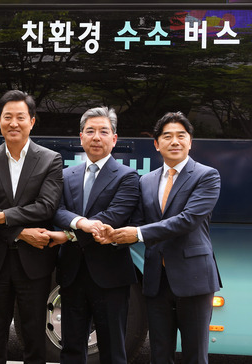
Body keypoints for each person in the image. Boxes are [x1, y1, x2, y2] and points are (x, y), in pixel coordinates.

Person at [99, 111, 222, 364]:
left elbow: (187, 220)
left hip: (194, 278)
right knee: (159, 354)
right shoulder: (145, 180)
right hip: (156, 280)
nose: (174, 141)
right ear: (157, 144)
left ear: (190, 142)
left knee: (195, 355)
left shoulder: (207, 176)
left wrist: (138, 233)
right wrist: (113, 235)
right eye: (167, 136)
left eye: (181, 136)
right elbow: (137, 223)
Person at [0, 90, 64, 364]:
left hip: (34, 263)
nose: (14, 123)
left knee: (34, 335)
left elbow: (46, 206)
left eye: (20, 117)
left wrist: (1, 218)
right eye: (7, 117)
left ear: (32, 121)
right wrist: (21, 231)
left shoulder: (50, 159)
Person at [44, 106, 140, 364]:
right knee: (71, 349)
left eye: (103, 131)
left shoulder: (128, 177)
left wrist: (71, 234)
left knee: (112, 351)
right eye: (91, 131)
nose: (96, 137)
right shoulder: (65, 175)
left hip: (110, 276)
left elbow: (114, 218)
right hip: (72, 274)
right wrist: (81, 223)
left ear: (114, 138)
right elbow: (57, 211)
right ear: (81, 137)